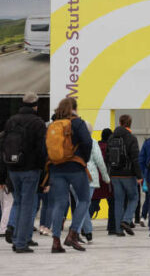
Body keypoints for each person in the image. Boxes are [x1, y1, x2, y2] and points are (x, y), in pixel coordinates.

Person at [0, 93, 46, 253]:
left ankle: (17, 238)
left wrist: (4, 170)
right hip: (30, 169)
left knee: (18, 203)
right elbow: (41, 150)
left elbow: (3, 144)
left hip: (13, 168)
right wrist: (43, 169)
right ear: (36, 105)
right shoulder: (37, 122)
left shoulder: (11, 121)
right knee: (28, 205)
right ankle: (21, 242)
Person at [47, 97, 92, 253]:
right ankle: (73, 234)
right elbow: (87, 142)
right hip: (75, 167)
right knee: (84, 199)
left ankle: (55, 241)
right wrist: (83, 159)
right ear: (75, 108)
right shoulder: (78, 123)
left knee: (59, 203)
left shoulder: (53, 124)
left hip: (56, 168)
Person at [108, 115, 142, 237]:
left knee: (118, 201)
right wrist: (139, 175)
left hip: (114, 175)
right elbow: (135, 158)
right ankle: (126, 220)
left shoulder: (111, 137)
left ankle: (118, 230)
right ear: (130, 123)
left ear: (120, 122)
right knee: (134, 198)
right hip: (128, 175)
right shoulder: (131, 138)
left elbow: (107, 157)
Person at [80, 122, 110, 243]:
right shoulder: (92, 142)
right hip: (90, 177)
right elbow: (99, 161)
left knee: (80, 205)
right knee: (84, 205)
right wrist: (106, 177)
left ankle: (86, 231)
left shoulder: (73, 141)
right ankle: (83, 232)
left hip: (75, 176)